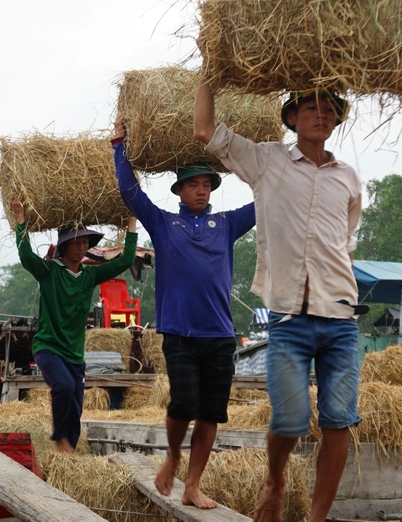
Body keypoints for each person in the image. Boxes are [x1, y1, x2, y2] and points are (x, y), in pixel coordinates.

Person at [195, 84, 362, 522]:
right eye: (311, 107)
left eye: (329, 109)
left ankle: (317, 516)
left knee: (338, 421)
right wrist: (209, 76)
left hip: (341, 316)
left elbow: (344, 240)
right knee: (289, 419)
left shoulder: (347, 177)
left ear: (337, 120)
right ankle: (274, 481)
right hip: (290, 316)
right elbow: (205, 129)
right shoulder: (267, 160)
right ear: (291, 118)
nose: (320, 115)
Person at [112, 115, 256, 509]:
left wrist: (278, 163)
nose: (201, 190)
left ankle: (193, 485)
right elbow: (130, 193)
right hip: (179, 334)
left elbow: (267, 199)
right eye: (193, 184)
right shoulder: (164, 223)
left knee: (211, 413)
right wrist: (119, 148)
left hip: (220, 334)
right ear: (179, 190)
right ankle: (173, 457)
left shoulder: (226, 223)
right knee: (183, 405)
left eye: (206, 184)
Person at [11, 196, 138, 453]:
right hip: (48, 347)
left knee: (76, 404)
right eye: (77, 243)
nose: (82, 247)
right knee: (64, 386)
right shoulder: (49, 271)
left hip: (75, 353)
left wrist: (132, 226)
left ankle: (69, 449)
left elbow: (125, 261)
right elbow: (25, 256)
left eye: (85, 243)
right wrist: (20, 219)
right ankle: (60, 440)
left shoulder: (90, 275)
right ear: (64, 246)